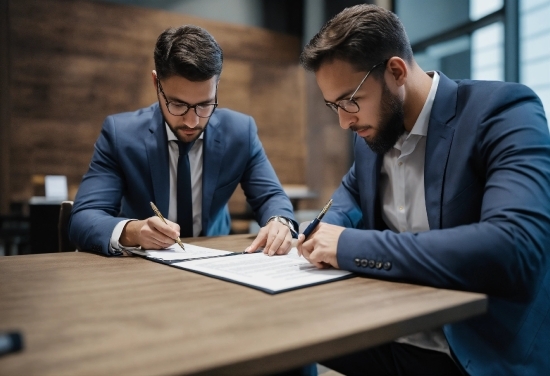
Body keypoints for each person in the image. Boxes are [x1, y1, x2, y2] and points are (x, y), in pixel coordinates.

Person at [297, 4, 550, 375]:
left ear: (396, 71)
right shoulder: (372, 133)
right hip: (392, 331)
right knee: (279, 343)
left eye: (350, 100)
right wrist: (322, 230)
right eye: (333, 105)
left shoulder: (503, 110)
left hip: (478, 349)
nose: (343, 121)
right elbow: (349, 195)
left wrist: (348, 245)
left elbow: (514, 247)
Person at [69, 25, 298, 257]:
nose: (192, 121)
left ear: (216, 86)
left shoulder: (240, 132)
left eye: (205, 104)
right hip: (143, 269)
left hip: (218, 260)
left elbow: (271, 197)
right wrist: (132, 231)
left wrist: (279, 222)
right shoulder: (120, 135)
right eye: (177, 105)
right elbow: (83, 218)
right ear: (156, 83)